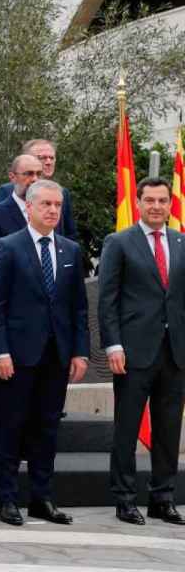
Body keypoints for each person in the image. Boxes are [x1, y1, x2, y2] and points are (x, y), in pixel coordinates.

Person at [0, 179, 88, 526]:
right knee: (10, 426)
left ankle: (42, 498)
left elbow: (77, 308)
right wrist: (0, 351)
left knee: (47, 428)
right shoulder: (7, 246)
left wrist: (80, 352)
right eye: (45, 204)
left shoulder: (70, 251)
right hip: (16, 355)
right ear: (28, 207)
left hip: (56, 355)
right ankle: (7, 498)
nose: (53, 211)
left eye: (58, 205)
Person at [99, 177, 185, 526]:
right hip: (133, 352)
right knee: (127, 427)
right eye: (149, 200)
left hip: (175, 353)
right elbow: (108, 299)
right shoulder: (119, 242)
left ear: (169, 204)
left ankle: (162, 498)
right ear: (138, 203)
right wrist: (113, 344)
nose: (156, 206)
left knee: (168, 429)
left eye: (162, 200)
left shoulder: (181, 242)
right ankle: (124, 498)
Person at [0, 139, 77, 240]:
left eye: (52, 158)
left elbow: (69, 233)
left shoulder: (62, 192)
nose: (48, 162)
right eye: (42, 158)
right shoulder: (7, 191)